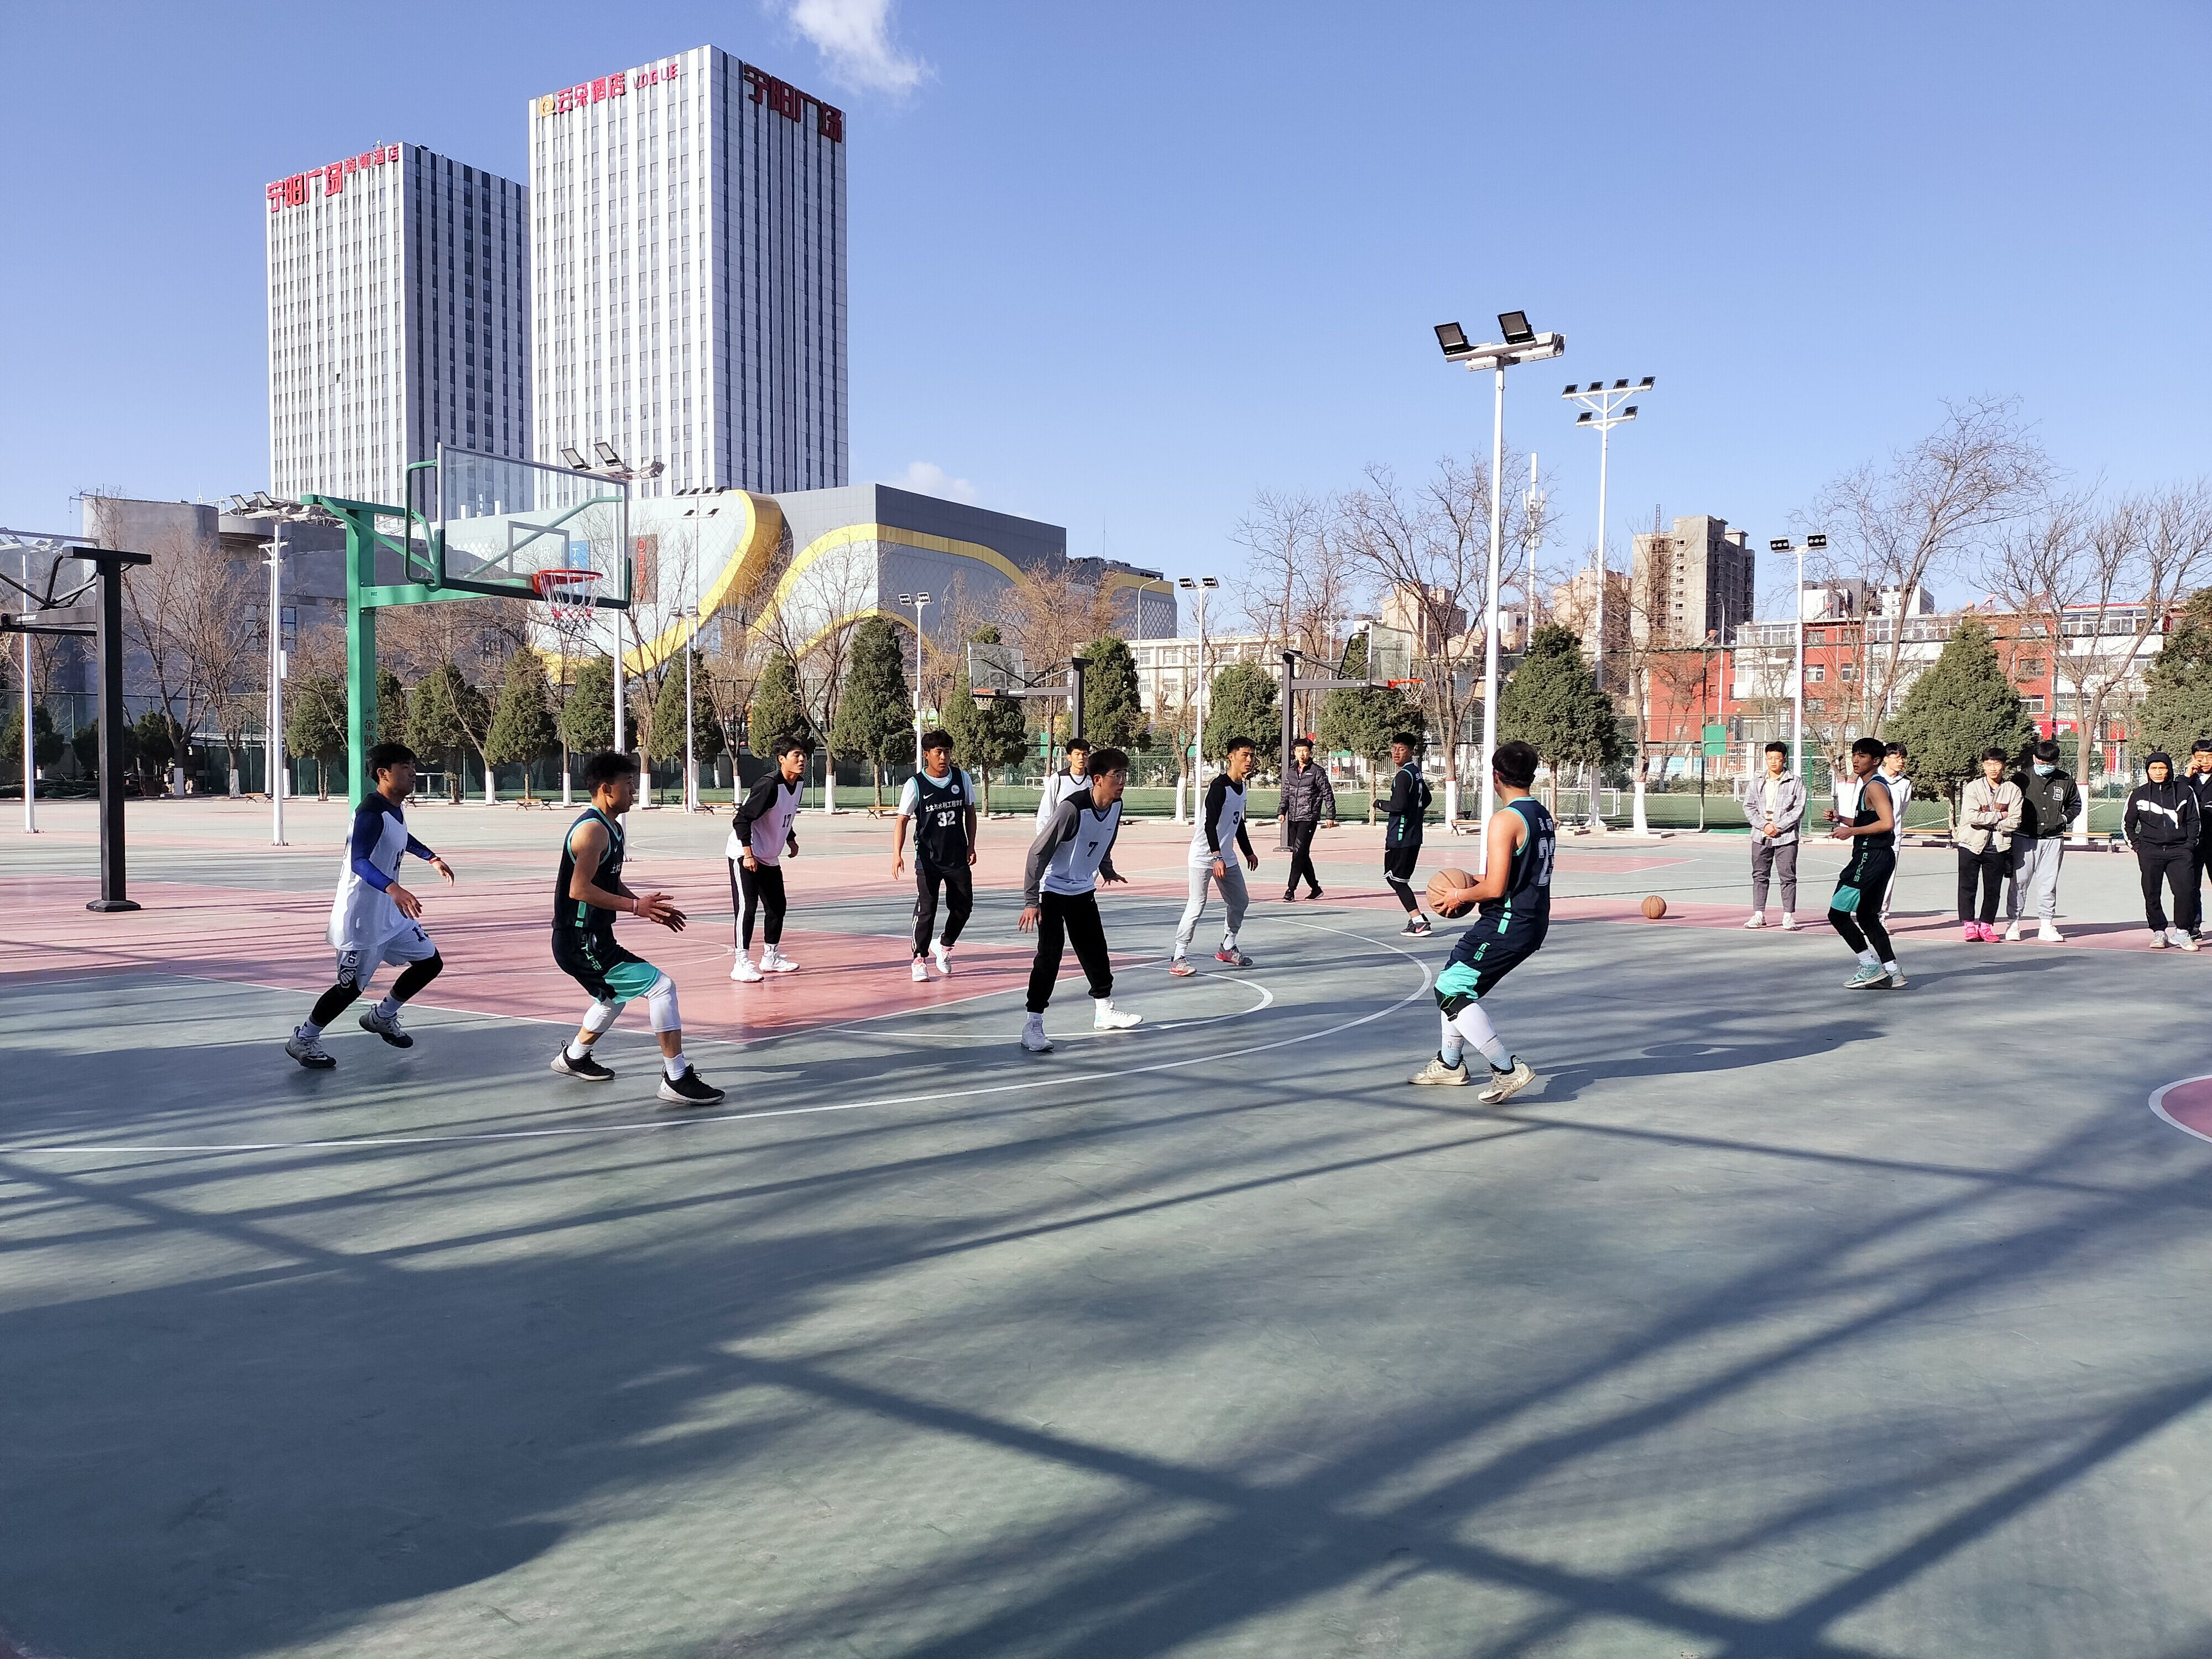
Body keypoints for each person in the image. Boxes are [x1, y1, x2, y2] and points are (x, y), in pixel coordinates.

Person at [550, 750, 723, 1105]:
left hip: (592, 938)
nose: (633, 790)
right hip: (580, 940)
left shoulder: (611, 827)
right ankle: (676, 1078)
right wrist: (634, 907)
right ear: (606, 789)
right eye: (628, 784)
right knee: (662, 987)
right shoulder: (592, 831)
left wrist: (643, 907)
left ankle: (574, 1058)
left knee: (611, 998)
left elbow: (607, 881)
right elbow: (579, 889)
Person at [285, 742, 455, 1070]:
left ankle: (383, 1016)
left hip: (390, 914)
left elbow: (401, 837)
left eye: (413, 766)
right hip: (361, 919)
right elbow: (359, 861)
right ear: (383, 773)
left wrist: (431, 857)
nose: (413, 773)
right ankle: (303, 1039)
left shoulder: (394, 809)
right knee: (349, 989)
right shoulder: (370, 813)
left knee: (429, 963)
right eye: (405, 767)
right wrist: (394, 888)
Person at [1409, 739, 1550, 1104]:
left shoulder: (1505, 821)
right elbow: (1518, 875)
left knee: (1451, 990)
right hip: (1530, 919)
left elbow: (1496, 887)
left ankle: (1506, 1068)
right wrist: (1473, 883)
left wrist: (1459, 894)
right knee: (1454, 978)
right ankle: (1450, 1063)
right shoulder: (1541, 815)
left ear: (1495, 776)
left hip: (1508, 921)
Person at [1019, 745, 1141, 1052]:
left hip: (1083, 890)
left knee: (1095, 951)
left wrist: (1106, 868)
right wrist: (1031, 901)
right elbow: (1037, 853)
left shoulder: (1116, 805)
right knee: (1050, 956)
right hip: (1051, 890)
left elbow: (1105, 839)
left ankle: (1104, 1011)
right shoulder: (1072, 809)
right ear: (1097, 779)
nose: (1122, 781)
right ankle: (1033, 1024)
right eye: (1116, 775)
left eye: (1125, 775)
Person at [893, 729, 978, 980]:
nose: (943, 757)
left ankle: (945, 945)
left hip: (956, 856)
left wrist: (971, 845)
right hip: (928, 858)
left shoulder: (962, 778)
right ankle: (919, 958)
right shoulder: (915, 784)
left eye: (947, 752)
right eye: (938, 752)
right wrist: (897, 854)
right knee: (927, 908)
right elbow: (902, 821)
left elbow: (970, 813)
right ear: (927, 755)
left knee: (964, 907)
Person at [1172, 735, 1261, 974]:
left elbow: (1238, 823)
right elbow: (1209, 824)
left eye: (1252, 756)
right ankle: (1179, 956)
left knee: (1240, 901)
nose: (1249, 760)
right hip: (1204, 856)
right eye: (1245, 755)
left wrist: (1248, 852)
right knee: (1197, 904)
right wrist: (1216, 857)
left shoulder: (1242, 787)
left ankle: (1227, 946)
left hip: (1226, 856)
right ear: (1231, 757)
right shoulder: (1219, 787)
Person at [1829, 735, 1905, 990]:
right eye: (1854, 754)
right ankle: (1893, 971)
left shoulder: (1875, 787)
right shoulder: (1870, 786)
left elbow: (1887, 823)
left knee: (1837, 914)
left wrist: (1851, 832)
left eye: (1862, 756)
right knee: (1867, 916)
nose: (1856, 760)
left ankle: (1869, 966)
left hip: (1869, 858)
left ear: (1876, 761)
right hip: (1880, 857)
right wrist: (1842, 819)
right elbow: (1870, 821)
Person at [728, 738, 806, 981]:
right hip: (745, 853)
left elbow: (784, 814)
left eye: (803, 755)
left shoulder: (799, 783)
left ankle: (771, 957)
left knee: (777, 907)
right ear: (782, 759)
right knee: (747, 907)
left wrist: (790, 838)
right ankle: (741, 963)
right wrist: (748, 854)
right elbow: (742, 820)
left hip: (769, 856)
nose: (802, 759)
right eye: (796, 755)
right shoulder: (769, 785)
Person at [2125, 751, 2201, 951]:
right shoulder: (2139, 794)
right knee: (2152, 893)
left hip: (2180, 852)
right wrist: (2138, 847)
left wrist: (2189, 845)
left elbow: (2194, 820)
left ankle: (2182, 933)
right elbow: (2128, 824)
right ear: (2147, 771)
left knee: (2186, 892)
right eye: (2154, 768)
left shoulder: (2184, 791)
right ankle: (2159, 932)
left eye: (2162, 768)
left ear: (2169, 769)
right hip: (2150, 851)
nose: (2158, 772)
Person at [2005, 738, 2079, 943]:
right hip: (2023, 838)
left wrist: (2062, 819)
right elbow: (2007, 803)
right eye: (2041, 763)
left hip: (2053, 840)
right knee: (2019, 883)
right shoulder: (2020, 778)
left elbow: (2075, 805)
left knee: (2048, 884)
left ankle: (2046, 925)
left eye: (2050, 764)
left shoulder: (2065, 780)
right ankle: (2013, 924)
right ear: (2034, 758)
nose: (2045, 767)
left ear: (2057, 762)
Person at [1954, 747, 2021, 942]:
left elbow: (2015, 821)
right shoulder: (1973, 787)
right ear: (1983, 765)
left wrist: (1992, 821)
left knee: (1993, 889)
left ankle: (1986, 925)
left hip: (1998, 846)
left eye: (1997, 764)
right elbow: (1972, 817)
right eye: (1988, 764)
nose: (1993, 768)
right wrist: (2000, 815)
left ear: (2004, 766)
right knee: (1967, 886)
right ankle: (1969, 925)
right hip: (1970, 843)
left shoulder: (2013, 790)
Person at [1738, 740, 1806, 929]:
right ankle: (1758, 915)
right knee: (1760, 875)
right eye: (1769, 758)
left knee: (1788, 876)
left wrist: (1779, 826)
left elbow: (1798, 809)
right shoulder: (1757, 781)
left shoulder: (1795, 782)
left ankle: (1788, 916)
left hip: (1786, 837)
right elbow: (1749, 807)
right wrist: (1764, 826)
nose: (1773, 762)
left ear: (1784, 759)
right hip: (1760, 836)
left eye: (1777, 758)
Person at [1382, 733, 1433, 936]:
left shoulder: (1404, 776)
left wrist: (1379, 804)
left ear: (1411, 752)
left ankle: (1419, 921)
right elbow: (1426, 799)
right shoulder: (1416, 773)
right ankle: (1418, 920)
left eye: (1401, 749)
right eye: (1394, 748)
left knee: (1396, 880)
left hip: (1401, 836)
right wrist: (1414, 814)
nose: (1396, 753)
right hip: (1413, 836)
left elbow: (1398, 806)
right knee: (1397, 879)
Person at [1280, 736, 1338, 900]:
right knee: (1301, 854)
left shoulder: (1317, 771)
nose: (1302, 754)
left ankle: (1290, 890)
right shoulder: (1291, 771)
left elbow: (1327, 793)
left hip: (1309, 818)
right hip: (1293, 818)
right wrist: (1282, 811)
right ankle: (1316, 889)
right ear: (1295, 753)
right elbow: (1286, 793)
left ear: (1310, 752)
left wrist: (1330, 815)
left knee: (1298, 854)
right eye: (1299, 751)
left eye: (1305, 751)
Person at [1877, 742, 1913, 920]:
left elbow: (1902, 810)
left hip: (1893, 839)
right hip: (1870, 838)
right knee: (1868, 878)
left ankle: (1881, 917)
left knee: (1888, 879)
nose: (1901, 761)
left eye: (1903, 758)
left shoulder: (1905, 783)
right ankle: (1865, 915)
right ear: (1886, 759)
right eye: (1897, 758)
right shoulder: (1872, 778)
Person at [2185, 739, 2212, 938]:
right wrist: (2187, 776)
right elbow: (2174, 797)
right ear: (2193, 758)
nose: (2205, 761)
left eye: (2209, 757)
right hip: (2192, 842)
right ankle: (2193, 927)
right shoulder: (2185, 781)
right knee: (2191, 886)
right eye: (2200, 757)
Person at [1035, 737, 1091, 830]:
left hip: (1085, 832)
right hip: (1063, 832)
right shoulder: (1058, 778)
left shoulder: (1093, 780)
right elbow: (1046, 809)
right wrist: (1043, 834)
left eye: (1085, 754)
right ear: (1069, 757)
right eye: (1077, 754)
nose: (1081, 758)